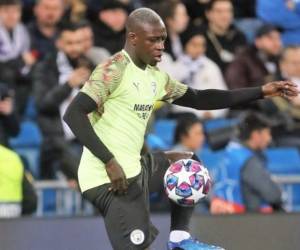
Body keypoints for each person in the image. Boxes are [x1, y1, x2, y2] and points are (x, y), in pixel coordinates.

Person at [63, 7, 298, 250]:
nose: (160, 46)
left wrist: (261, 91)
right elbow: (73, 114)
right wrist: (110, 162)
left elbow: (200, 99)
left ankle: (179, 239)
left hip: (135, 170)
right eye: (153, 39)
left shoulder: (156, 77)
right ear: (133, 37)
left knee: (187, 163)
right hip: (106, 179)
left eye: (163, 39)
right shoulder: (113, 70)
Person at [33, 22, 93, 180]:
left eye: (78, 43)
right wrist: (68, 85)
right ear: (59, 43)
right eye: (69, 43)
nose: (74, 48)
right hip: (56, 142)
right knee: (86, 177)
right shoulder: (45, 68)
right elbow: (42, 104)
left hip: (85, 138)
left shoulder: (90, 66)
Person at [211, 113, 283, 214]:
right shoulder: (248, 161)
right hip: (247, 221)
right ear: (256, 135)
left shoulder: (229, 152)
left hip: (222, 218)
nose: (269, 138)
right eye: (267, 133)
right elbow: (273, 195)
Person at [160, 27, 228, 119]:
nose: (199, 49)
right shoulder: (175, 67)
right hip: (184, 115)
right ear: (186, 45)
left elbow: (223, 96)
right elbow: (170, 97)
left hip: (210, 116)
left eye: (202, 45)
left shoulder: (211, 67)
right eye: (194, 45)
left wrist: (212, 113)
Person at [0, 0, 36, 115]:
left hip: (18, 74)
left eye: (15, 11)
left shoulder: (23, 31)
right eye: (6, 11)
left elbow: (28, 57)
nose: (11, 16)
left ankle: (19, 116)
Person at [225, 24, 282, 90]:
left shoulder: (280, 59)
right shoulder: (242, 60)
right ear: (258, 42)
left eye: (278, 38)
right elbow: (236, 90)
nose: (277, 43)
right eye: (270, 38)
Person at [202, 0, 247, 72]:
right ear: (208, 14)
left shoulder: (239, 36)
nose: (225, 16)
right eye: (219, 11)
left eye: (229, 11)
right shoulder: (200, 36)